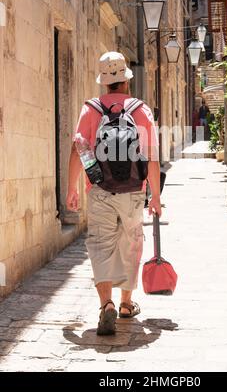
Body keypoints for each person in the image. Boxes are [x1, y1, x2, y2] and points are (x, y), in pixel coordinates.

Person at [66, 51, 161, 336]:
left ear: (104, 83)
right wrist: (155, 196)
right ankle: (126, 304)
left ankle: (105, 304)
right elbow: (152, 157)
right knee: (130, 244)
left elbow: (77, 149)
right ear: (126, 81)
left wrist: (71, 187)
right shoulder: (141, 110)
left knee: (100, 245)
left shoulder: (91, 109)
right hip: (134, 191)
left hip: (99, 190)